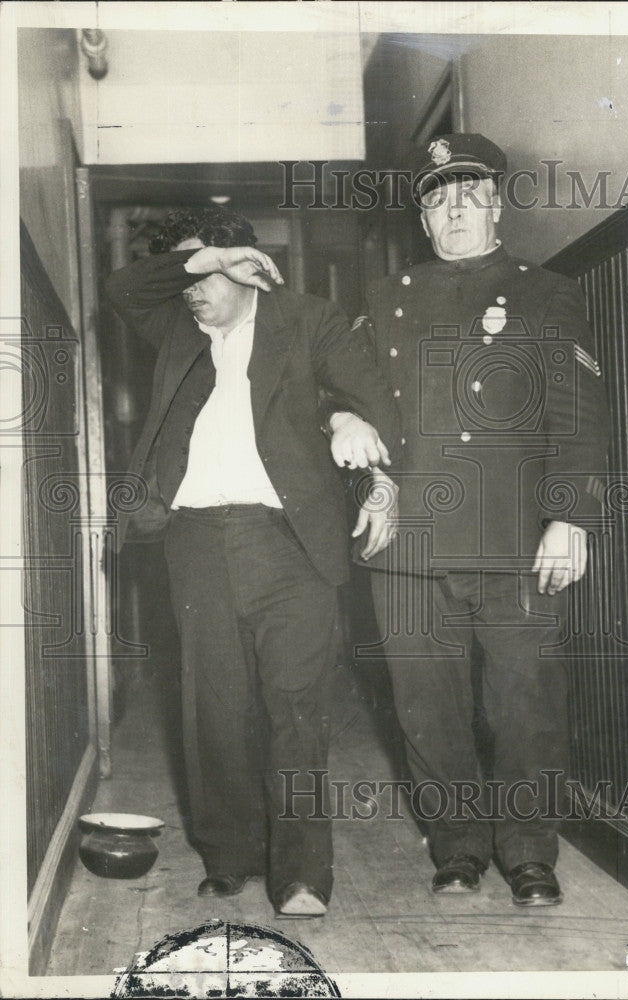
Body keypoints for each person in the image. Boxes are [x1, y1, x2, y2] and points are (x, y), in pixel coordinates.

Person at [330, 133, 610, 906]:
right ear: (421, 218)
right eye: (435, 198)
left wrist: (570, 517)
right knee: (427, 703)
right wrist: (340, 425)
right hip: (407, 537)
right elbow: (343, 392)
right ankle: (455, 845)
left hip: (516, 536)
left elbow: (578, 411)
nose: (451, 209)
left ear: (494, 205)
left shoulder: (543, 290)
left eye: (467, 194)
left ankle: (528, 851)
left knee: (525, 702)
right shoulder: (385, 298)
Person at [106, 206, 400, 918]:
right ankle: (228, 852)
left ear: (247, 263)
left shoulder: (307, 319)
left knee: (295, 709)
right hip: (196, 542)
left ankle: (302, 875)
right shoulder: (178, 327)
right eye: (189, 274)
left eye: (208, 269)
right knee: (214, 706)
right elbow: (121, 291)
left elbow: (368, 403)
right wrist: (200, 262)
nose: (194, 289)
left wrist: (362, 447)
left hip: (289, 543)